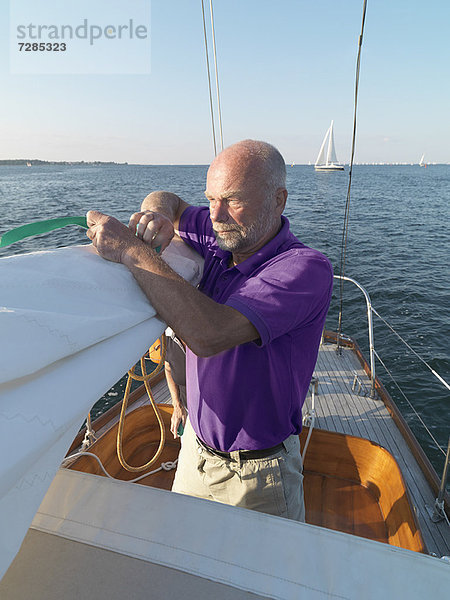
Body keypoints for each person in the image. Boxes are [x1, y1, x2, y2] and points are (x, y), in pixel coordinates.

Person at [86, 139, 333, 522]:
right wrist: (156, 216)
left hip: (257, 477)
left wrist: (132, 250)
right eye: (210, 199)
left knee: (258, 580)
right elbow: (165, 196)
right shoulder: (222, 238)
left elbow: (208, 334)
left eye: (232, 200)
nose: (216, 215)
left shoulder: (304, 268)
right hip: (194, 453)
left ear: (278, 200)